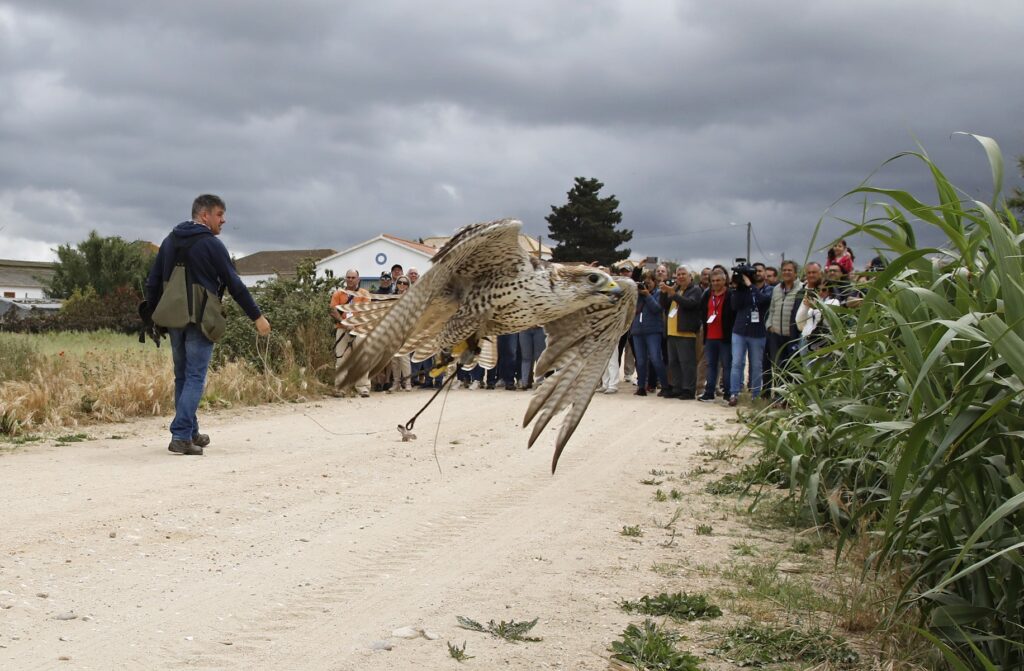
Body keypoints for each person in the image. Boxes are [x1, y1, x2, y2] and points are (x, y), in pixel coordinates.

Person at [145, 194, 271, 456]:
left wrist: (155, 317)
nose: (223, 220)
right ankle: (180, 435)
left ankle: (190, 431)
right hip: (202, 319)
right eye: (219, 214)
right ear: (204, 215)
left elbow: (153, 282)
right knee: (195, 377)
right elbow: (234, 284)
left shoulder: (169, 242)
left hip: (174, 319)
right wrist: (257, 316)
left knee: (182, 376)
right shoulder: (211, 244)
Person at [728, 265, 771, 407]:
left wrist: (751, 286)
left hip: (757, 333)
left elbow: (763, 301)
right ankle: (734, 393)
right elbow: (734, 306)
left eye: (759, 272)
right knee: (736, 363)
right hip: (739, 331)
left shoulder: (768, 289)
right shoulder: (742, 290)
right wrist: (736, 287)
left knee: (757, 365)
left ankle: (755, 395)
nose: (757, 274)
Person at [658, 266, 702, 399]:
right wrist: (663, 291)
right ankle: (676, 387)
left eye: (684, 274)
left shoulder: (695, 290)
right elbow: (664, 305)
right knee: (673, 363)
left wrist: (673, 294)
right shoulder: (675, 289)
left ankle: (688, 389)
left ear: (690, 277)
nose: (681, 277)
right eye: (678, 275)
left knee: (687, 363)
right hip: (672, 332)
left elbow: (690, 304)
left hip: (686, 332)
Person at [765, 260, 803, 398]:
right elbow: (772, 309)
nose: (786, 272)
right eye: (784, 270)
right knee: (778, 368)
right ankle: (780, 398)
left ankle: (792, 399)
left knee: (792, 369)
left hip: (792, 336)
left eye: (789, 270)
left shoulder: (801, 289)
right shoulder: (776, 289)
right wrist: (769, 326)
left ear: (795, 272)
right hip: (776, 334)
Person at [331, 269, 371, 397]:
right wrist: (344, 323)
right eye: (348, 277)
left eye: (353, 277)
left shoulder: (364, 294)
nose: (350, 280)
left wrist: (354, 324)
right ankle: (340, 388)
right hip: (342, 329)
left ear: (358, 279)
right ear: (345, 279)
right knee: (341, 359)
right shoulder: (338, 294)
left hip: (359, 329)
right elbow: (333, 310)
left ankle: (363, 387)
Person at [698, 268, 734, 402]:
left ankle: (728, 392)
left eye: (718, 280)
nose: (716, 283)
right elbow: (702, 310)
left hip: (725, 336)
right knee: (710, 365)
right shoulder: (708, 294)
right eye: (713, 281)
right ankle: (709, 392)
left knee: (726, 366)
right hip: (710, 336)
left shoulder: (730, 295)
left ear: (724, 281)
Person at [631, 271, 668, 396]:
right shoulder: (637, 295)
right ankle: (641, 387)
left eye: (649, 282)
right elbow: (633, 309)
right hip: (637, 331)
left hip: (653, 331)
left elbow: (657, 309)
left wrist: (647, 295)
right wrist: (639, 293)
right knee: (640, 361)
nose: (647, 284)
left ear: (654, 282)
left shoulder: (658, 293)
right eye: (645, 282)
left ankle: (665, 386)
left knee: (656, 359)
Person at [388, 276, 413, 391]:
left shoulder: (411, 298)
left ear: (408, 285)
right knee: (394, 359)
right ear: (396, 283)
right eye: (400, 282)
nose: (402, 285)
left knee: (404, 358)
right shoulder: (391, 297)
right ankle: (396, 383)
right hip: (392, 330)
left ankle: (408, 383)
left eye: (405, 283)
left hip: (405, 330)